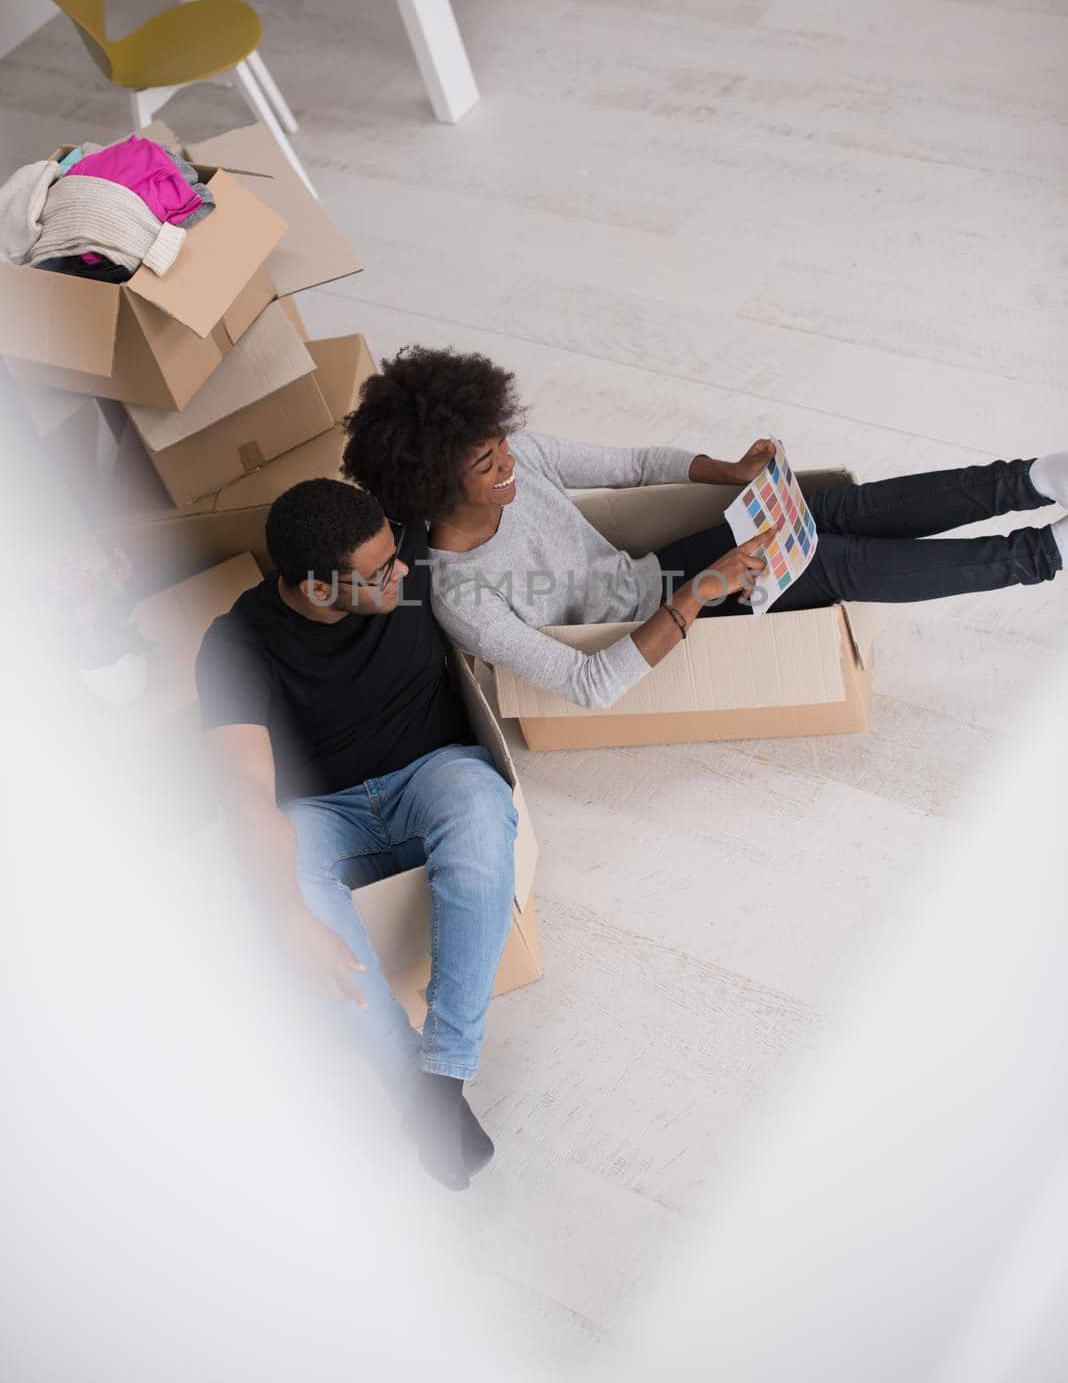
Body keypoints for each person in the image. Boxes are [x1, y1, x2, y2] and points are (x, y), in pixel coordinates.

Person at [340, 345, 1066, 710]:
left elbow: (630, 463)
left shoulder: (521, 457)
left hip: (654, 577)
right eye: (485, 462)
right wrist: (704, 591)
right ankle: (1041, 553)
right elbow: (590, 684)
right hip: (656, 633)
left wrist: (732, 471)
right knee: (825, 560)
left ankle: (1032, 479)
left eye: (502, 444)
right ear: (432, 479)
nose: (508, 466)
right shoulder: (460, 595)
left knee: (825, 510)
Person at [194, 477, 519, 1192]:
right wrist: (286, 918)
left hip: (434, 772)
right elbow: (246, 790)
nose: (401, 572)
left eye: (394, 555)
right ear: (316, 590)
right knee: (282, 890)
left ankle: (440, 1082)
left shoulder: (400, 545)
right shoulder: (235, 643)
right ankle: (420, 1091)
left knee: (481, 806)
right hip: (325, 813)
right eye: (378, 574)